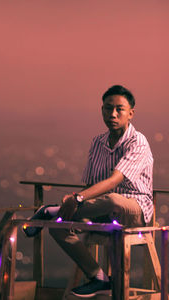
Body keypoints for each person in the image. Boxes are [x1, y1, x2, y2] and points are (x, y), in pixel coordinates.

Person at [24, 85, 153, 297]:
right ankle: (98, 277)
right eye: (107, 108)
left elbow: (113, 181)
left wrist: (79, 198)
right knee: (58, 226)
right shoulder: (98, 142)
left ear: (131, 113)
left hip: (134, 209)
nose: (112, 114)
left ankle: (50, 211)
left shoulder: (138, 141)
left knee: (114, 199)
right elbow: (90, 184)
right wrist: (74, 199)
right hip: (100, 209)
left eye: (119, 109)